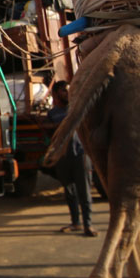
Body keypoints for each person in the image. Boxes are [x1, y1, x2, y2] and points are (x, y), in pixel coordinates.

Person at [46, 82, 95, 237]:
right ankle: (75, 222)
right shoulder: (52, 114)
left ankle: (88, 224)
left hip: (80, 154)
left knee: (84, 191)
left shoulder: (77, 110)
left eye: (68, 91)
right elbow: (51, 135)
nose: (67, 93)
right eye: (63, 91)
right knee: (69, 191)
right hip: (63, 156)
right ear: (56, 93)